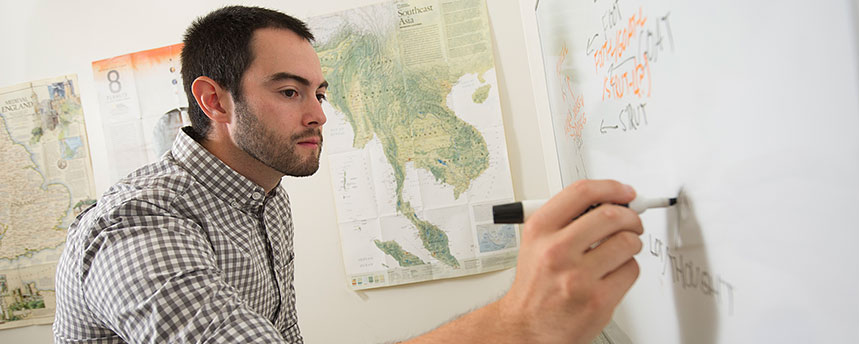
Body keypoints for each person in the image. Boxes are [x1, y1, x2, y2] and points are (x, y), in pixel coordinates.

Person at [53, 5, 644, 344]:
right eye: (289, 91)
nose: (318, 113)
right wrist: (522, 319)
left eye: (320, 91)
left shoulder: (265, 193)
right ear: (214, 99)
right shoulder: (136, 225)